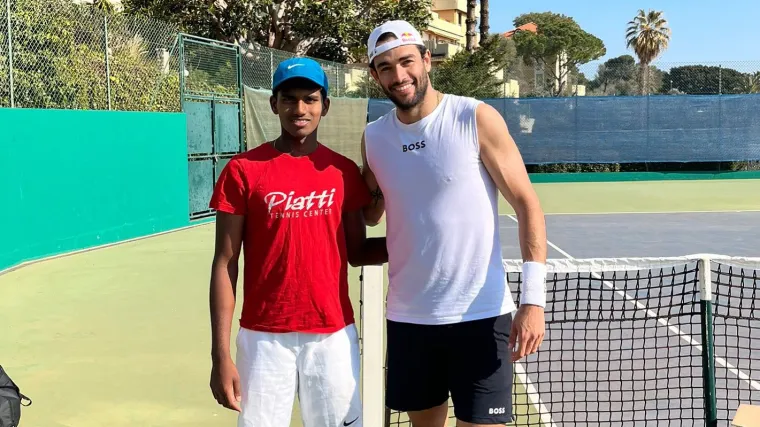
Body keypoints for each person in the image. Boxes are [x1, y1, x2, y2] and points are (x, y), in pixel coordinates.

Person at [360, 20, 549, 427]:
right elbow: (369, 211)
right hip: (409, 319)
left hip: (480, 316)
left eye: (407, 62)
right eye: (386, 67)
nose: (400, 76)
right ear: (375, 75)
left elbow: (527, 204)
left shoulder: (474, 117)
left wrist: (533, 300)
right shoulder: (373, 138)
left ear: (427, 60)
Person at [207, 57, 387, 427]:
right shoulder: (242, 171)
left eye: (310, 99)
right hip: (262, 339)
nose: (300, 109)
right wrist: (220, 355)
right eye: (289, 99)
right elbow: (225, 263)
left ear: (325, 105)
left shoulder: (343, 172)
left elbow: (357, 253)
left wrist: (421, 242)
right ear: (274, 104)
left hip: (333, 335)